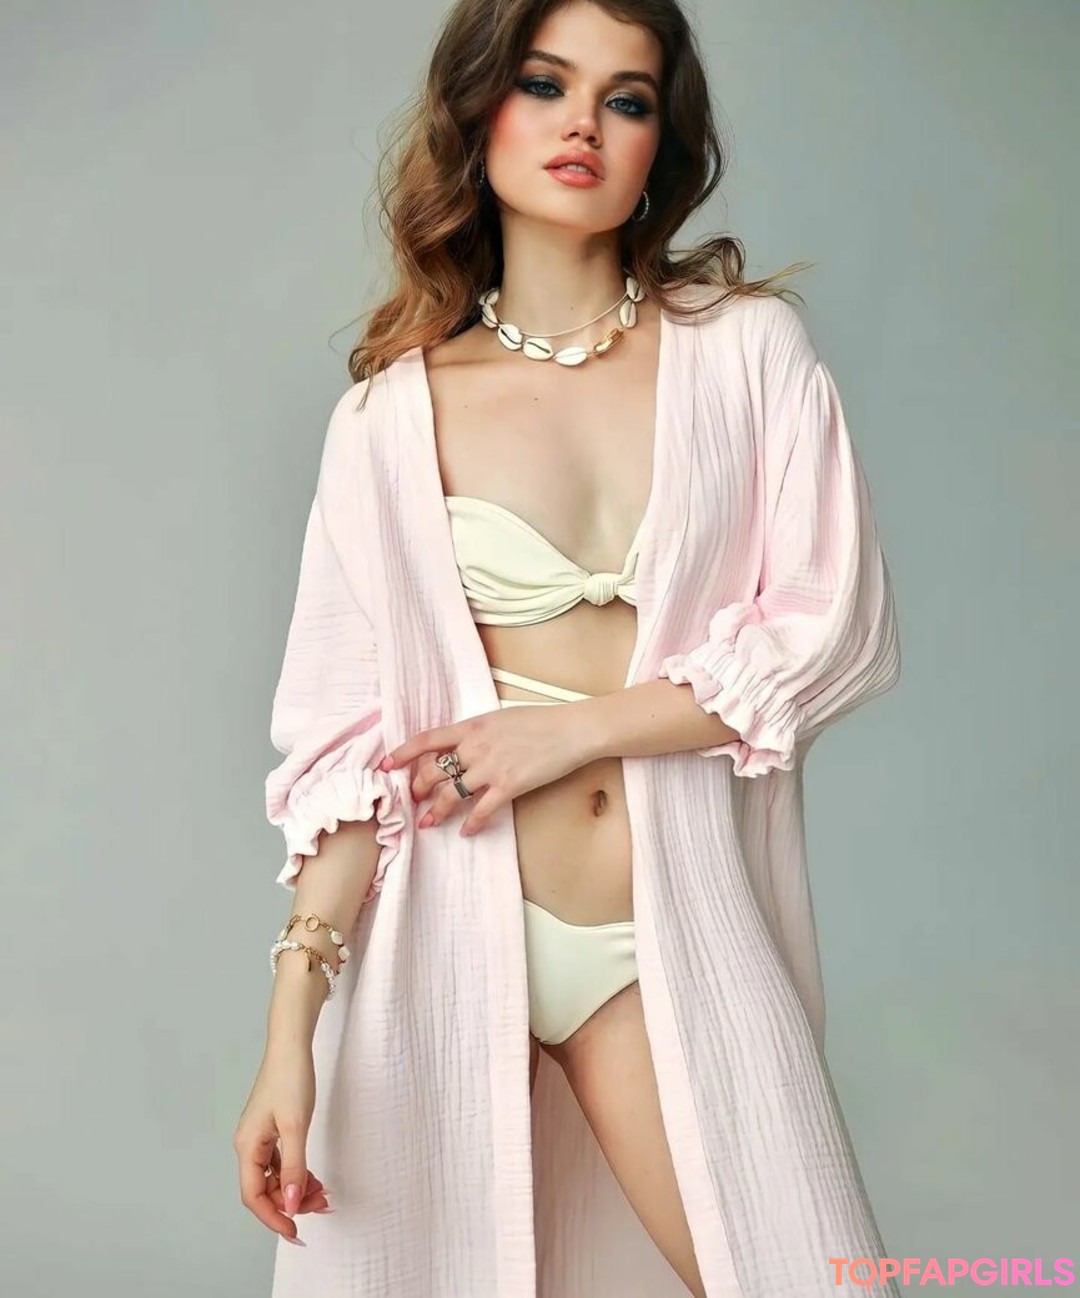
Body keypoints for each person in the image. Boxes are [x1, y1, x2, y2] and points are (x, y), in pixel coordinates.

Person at [233, 2, 903, 1295]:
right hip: (443, 948)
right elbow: (348, 761)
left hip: (662, 938)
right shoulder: (385, 421)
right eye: (545, 84)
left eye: (626, 98)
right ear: (479, 109)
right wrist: (288, 1036)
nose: (583, 123)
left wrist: (572, 731)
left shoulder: (745, 353)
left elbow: (833, 625)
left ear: (661, 144)